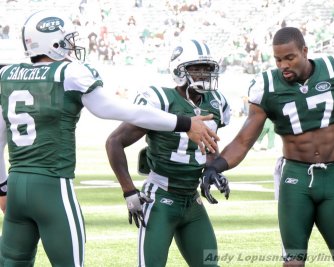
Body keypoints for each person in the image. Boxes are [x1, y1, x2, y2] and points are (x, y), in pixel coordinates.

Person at [0, 10, 219, 266]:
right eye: (67, 40)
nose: (72, 46)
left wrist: (3, 188)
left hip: (16, 185)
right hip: (52, 187)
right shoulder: (69, 73)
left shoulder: (7, 74)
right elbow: (121, 110)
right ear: (54, 42)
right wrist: (183, 123)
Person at [201, 27, 334, 266]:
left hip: (332, 177)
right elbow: (243, 141)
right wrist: (215, 167)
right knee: (293, 262)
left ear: (304, 51)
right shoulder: (267, 86)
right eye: (278, 59)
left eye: (289, 58)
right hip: (295, 180)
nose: (283, 65)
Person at [106, 39, 231, 266]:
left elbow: (211, 146)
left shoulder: (216, 103)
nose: (204, 73)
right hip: (160, 198)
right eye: (196, 68)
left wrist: (211, 170)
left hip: (192, 201)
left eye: (207, 68)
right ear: (179, 70)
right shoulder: (161, 101)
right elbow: (114, 141)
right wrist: (128, 191)